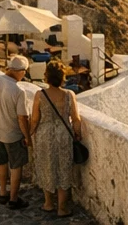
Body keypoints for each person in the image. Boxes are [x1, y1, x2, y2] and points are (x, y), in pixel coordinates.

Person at [27, 59, 86, 216]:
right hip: (63, 136)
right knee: (64, 169)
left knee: (47, 167)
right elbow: (76, 118)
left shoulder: (40, 95)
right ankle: (62, 208)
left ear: (46, 77)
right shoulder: (69, 94)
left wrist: (29, 135)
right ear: (62, 77)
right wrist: (77, 134)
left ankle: (48, 204)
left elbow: (34, 119)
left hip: (45, 135)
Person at [0, 55, 32, 210]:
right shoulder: (18, 90)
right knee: (16, 166)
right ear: (20, 71)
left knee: (2, 164)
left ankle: (2, 193)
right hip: (13, 135)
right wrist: (28, 137)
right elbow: (22, 118)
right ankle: (13, 199)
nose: (24, 75)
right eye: (24, 72)